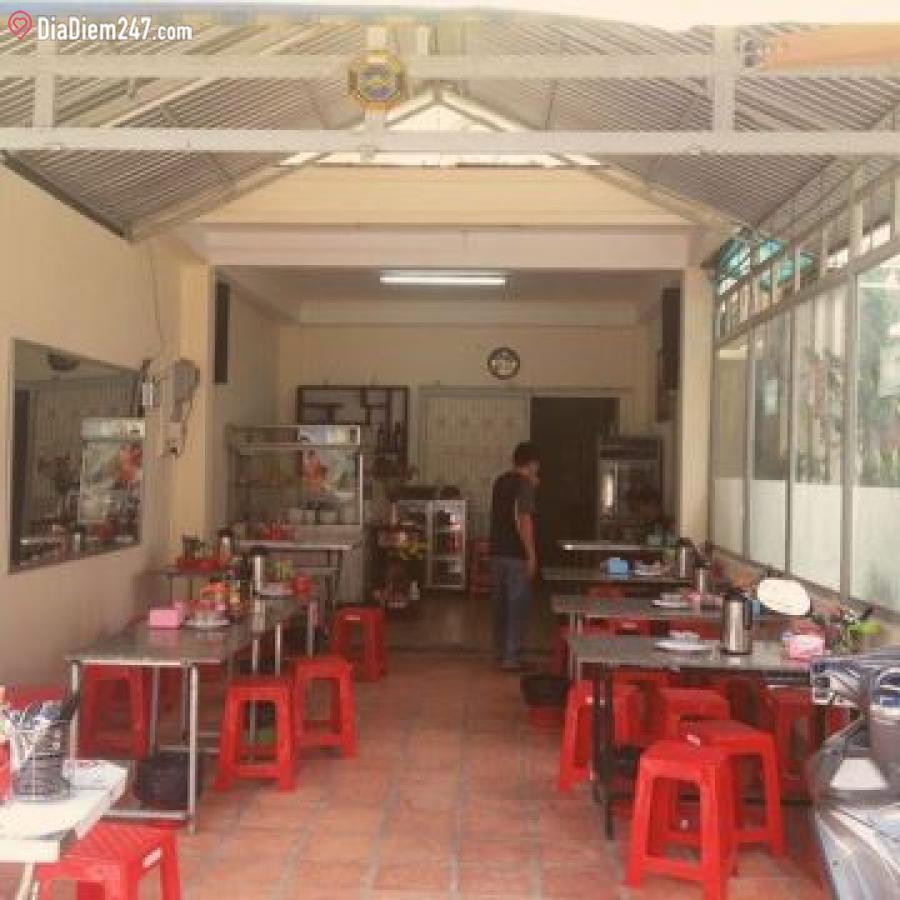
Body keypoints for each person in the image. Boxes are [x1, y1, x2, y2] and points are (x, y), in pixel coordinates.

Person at [489, 441, 540, 671]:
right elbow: (524, 519)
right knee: (517, 607)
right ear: (532, 463)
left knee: (500, 606)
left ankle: (500, 652)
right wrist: (531, 553)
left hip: (497, 552)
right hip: (516, 555)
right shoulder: (525, 484)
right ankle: (512, 658)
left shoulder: (500, 481)